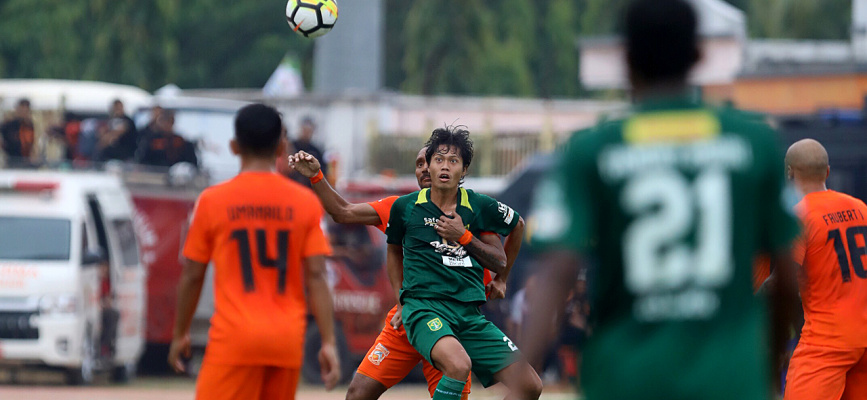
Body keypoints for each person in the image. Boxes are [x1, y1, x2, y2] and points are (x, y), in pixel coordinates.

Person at [523, 1, 801, 399]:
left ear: (626, 59)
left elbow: (558, 269)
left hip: (627, 378)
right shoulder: (752, 142)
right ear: (699, 56)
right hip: (729, 376)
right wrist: (766, 367)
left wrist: (524, 369)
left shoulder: (591, 150)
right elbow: (786, 280)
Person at [289, 145, 522, 400]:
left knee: (470, 378)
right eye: (419, 163)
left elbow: (500, 252)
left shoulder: (471, 211)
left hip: (456, 321)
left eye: (430, 161)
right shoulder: (401, 208)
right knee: (357, 394)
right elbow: (344, 213)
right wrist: (316, 176)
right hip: (412, 317)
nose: (424, 168)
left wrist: (501, 279)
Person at [168, 103, 340, 400]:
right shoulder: (306, 203)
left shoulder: (212, 201)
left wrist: (180, 333)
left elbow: (193, 275)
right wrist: (328, 342)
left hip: (233, 340)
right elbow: (317, 276)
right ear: (281, 146)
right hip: (286, 340)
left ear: (234, 146)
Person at [385, 127, 542, 400]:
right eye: (439, 160)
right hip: (425, 309)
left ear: (464, 170)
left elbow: (518, 225)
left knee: (529, 385)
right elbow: (394, 251)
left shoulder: (477, 205)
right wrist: (401, 299)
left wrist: (498, 274)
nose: (445, 166)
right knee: (458, 365)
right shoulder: (405, 207)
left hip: (469, 316)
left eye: (453, 161)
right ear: (429, 167)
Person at [782, 139, 867, 400]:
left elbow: (781, 282)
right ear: (827, 172)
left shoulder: (798, 215)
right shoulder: (861, 208)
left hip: (826, 342)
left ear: (789, 173)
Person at [292, 116, 327, 185]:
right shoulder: (291, 146)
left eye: (309, 131)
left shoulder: (316, 151)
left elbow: (323, 171)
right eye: (305, 130)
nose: (306, 133)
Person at [1, 98, 36, 167]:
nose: (23, 112)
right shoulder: (8, 125)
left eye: (26, 110)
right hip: (11, 160)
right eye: (21, 109)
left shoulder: (29, 126)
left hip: (27, 161)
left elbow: (31, 143)